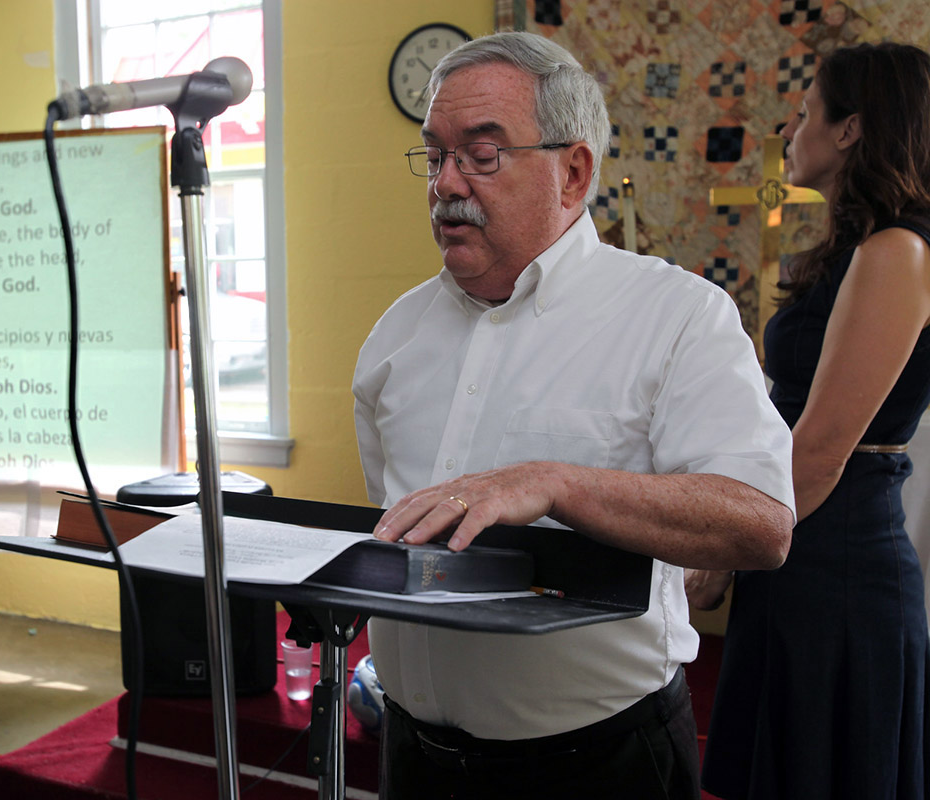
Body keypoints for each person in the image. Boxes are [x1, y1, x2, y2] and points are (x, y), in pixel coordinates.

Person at [352, 31, 796, 800]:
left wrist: (554, 484)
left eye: (482, 154)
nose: (445, 182)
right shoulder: (395, 336)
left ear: (574, 170)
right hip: (414, 761)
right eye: (435, 154)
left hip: (599, 768)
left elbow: (759, 522)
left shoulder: (678, 316)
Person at [691, 42, 930, 800]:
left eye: (804, 115)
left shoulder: (900, 250)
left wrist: (726, 552)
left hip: (839, 568)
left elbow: (824, 447)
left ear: (851, 128)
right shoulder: (862, 245)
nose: (791, 132)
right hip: (800, 554)